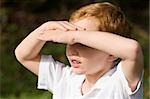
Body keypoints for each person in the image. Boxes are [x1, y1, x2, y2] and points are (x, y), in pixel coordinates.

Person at [14, 2, 144, 99]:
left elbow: (132, 50)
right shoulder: (65, 79)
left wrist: (74, 35)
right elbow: (24, 55)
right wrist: (45, 27)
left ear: (112, 53)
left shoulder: (119, 83)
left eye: (83, 43)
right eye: (69, 43)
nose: (73, 51)